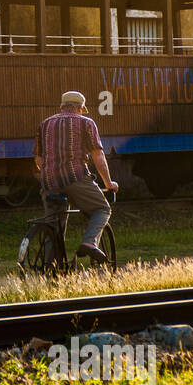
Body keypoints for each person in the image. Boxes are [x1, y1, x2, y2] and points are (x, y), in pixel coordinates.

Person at [32, 89, 118, 263]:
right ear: (80, 108)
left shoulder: (45, 124)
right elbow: (98, 156)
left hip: (49, 182)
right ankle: (89, 242)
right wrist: (108, 183)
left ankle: (50, 270)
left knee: (54, 225)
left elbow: (39, 160)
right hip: (76, 178)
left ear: (62, 106)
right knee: (102, 209)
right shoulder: (86, 123)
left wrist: (51, 173)